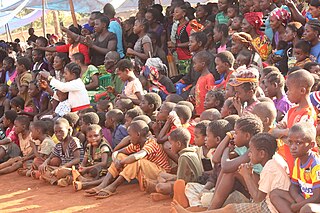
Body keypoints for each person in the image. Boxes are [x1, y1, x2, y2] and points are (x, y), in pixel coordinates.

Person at [84, 120, 171, 199]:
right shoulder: (136, 144)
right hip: (148, 171)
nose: (129, 138)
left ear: (138, 134)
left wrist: (120, 162)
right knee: (121, 155)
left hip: (161, 172)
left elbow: (137, 156)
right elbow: (116, 152)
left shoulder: (151, 143)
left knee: (138, 161)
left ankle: (113, 186)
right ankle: (103, 184)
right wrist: (116, 160)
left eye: (130, 135)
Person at [208, 115, 264, 209]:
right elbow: (216, 158)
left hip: (261, 188)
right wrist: (228, 136)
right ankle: (212, 206)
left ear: (247, 136)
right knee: (227, 169)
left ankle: (212, 209)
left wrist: (227, 150)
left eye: (236, 133)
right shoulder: (243, 148)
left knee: (232, 170)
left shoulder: (252, 149)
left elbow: (226, 166)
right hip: (252, 181)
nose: (234, 136)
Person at [272, 70, 317, 175]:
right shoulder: (292, 110)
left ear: (302, 91)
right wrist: (287, 132)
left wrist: (284, 134)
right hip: (289, 160)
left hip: (303, 166)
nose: (287, 93)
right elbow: (274, 132)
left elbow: (299, 143)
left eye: (289, 89)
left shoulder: (307, 115)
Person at [270, 123, 320, 213]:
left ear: (311, 145)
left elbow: (317, 197)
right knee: (275, 194)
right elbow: (293, 185)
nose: (293, 147)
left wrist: (298, 205)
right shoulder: (298, 161)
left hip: (316, 203)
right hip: (303, 199)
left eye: (298, 143)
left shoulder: (316, 166)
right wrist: (298, 200)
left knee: (307, 209)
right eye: (290, 142)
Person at [148, 127, 202, 201]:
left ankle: (165, 194)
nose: (170, 147)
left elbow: (180, 182)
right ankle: (157, 184)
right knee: (161, 174)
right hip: (188, 180)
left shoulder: (183, 157)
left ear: (178, 144)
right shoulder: (192, 151)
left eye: (171, 144)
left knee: (160, 187)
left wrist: (167, 181)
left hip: (189, 185)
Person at [38, 118, 83, 185]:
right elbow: (50, 157)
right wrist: (44, 163)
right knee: (43, 169)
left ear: (68, 130)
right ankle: (60, 180)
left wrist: (64, 166)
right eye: (56, 132)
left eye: (61, 131)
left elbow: (78, 158)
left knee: (60, 172)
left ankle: (60, 179)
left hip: (73, 169)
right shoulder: (59, 145)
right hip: (61, 168)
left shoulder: (73, 141)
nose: (58, 134)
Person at [72, 124, 112, 191]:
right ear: (87, 138)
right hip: (93, 169)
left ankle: (87, 183)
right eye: (90, 136)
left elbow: (104, 163)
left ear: (101, 136)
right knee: (77, 170)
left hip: (105, 170)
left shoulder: (103, 147)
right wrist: (81, 167)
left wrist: (87, 168)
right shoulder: (89, 146)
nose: (93, 138)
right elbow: (84, 161)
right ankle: (82, 179)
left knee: (104, 175)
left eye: (96, 136)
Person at [168, 4, 192, 75]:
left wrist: (175, 45)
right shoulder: (178, 26)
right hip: (180, 58)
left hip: (188, 58)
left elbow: (192, 42)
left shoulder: (188, 26)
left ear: (183, 14)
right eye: (174, 12)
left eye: (176, 12)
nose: (174, 14)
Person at [193, 51, 215, 115]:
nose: (194, 66)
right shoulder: (200, 77)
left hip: (205, 112)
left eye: (195, 63)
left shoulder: (209, 77)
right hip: (199, 111)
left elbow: (211, 94)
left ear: (203, 64)